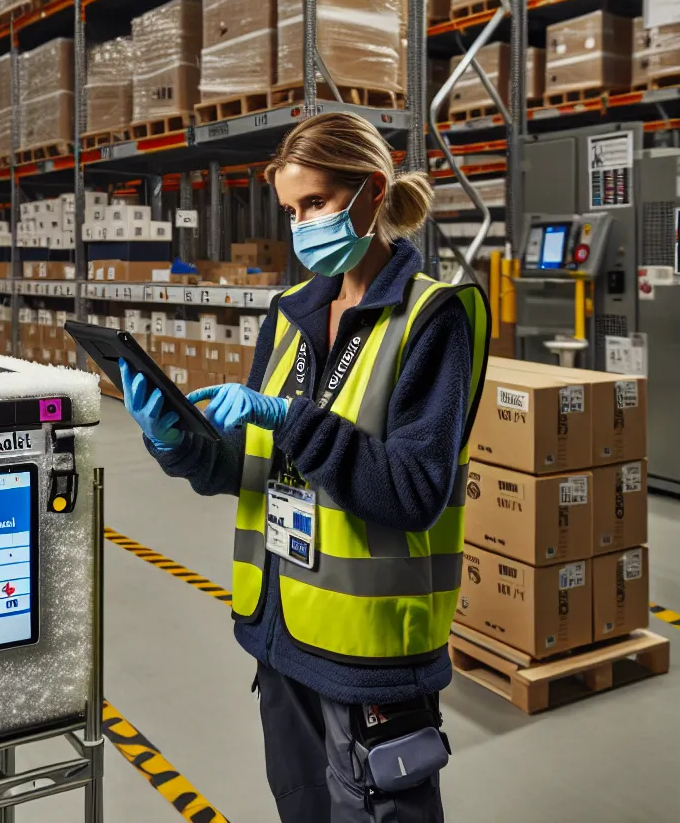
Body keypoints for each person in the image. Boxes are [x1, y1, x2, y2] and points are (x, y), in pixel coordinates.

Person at [118, 112, 489, 823]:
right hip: (282, 637)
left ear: (371, 192)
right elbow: (248, 468)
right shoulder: (289, 313)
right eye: (292, 211)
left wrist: (289, 418)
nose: (302, 226)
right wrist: (178, 441)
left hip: (368, 657)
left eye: (315, 203)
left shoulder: (432, 318)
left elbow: (413, 490)